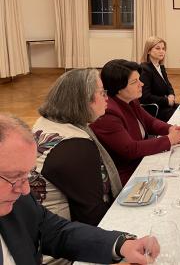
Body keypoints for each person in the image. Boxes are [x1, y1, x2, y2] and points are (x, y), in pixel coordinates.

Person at [0, 114, 159, 265]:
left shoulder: (18, 201)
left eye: (27, 175)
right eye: (14, 176)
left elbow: (56, 232)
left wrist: (121, 245)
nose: (25, 190)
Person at [30, 70, 123, 264]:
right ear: (83, 100)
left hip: (39, 236)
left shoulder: (46, 123)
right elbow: (92, 216)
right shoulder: (75, 146)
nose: (107, 98)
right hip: (58, 254)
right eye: (102, 92)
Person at [91, 59, 180, 185]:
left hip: (144, 160)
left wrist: (171, 129)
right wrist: (169, 140)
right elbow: (130, 149)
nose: (141, 84)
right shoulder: (107, 113)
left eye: (139, 79)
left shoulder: (130, 100)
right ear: (118, 88)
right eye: (134, 82)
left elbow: (150, 122)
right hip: (129, 174)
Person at [140, 36, 179, 122]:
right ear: (148, 51)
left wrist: (171, 94)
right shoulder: (144, 69)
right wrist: (166, 101)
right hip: (155, 110)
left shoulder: (160, 67)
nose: (161, 51)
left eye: (163, 48)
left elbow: (168, 85)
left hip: (165, 105)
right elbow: (145, 97)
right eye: (158, 48)